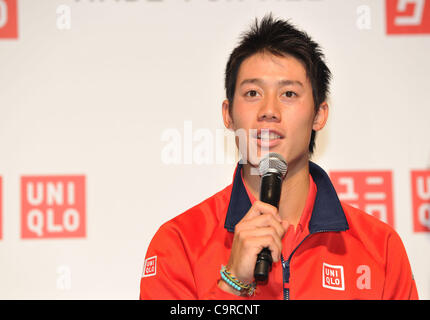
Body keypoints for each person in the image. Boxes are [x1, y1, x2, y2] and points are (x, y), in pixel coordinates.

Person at [139, 14, 418, 300]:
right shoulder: (180, 243)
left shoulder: (379, 248)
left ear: (319, 115)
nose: (269, 110)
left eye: (288, 93)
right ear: (228, 114)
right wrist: (233, 283)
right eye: (252, 92)